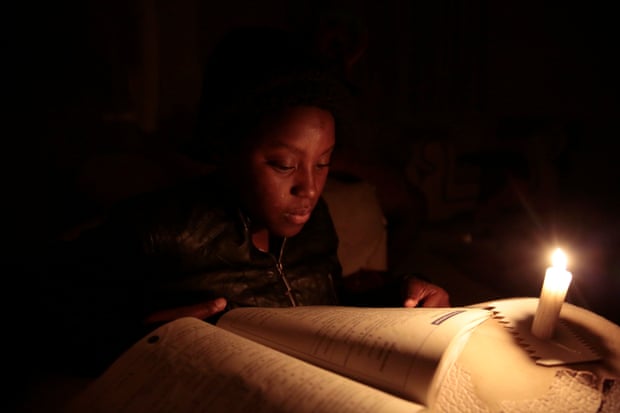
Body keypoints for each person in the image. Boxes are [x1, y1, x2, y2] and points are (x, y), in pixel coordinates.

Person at [21, 26, 449, 383]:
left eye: (323, 163)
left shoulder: (314, 222)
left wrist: (401, 297)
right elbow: (39, 313)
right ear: (226, 149)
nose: (309, 189)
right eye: (283, 165)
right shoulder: (163, 230)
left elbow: (319, 310)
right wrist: (135, 343)